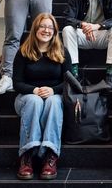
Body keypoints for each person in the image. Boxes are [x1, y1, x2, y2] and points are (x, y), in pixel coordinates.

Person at [13, 13, 71, 180]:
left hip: (54, 99)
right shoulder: (23, 52)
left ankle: (50, 156)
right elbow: (17, 83)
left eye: (50, 27)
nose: (46, 30)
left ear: (54, 31)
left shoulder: (62, 52)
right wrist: (34, 90)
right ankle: (27, 155)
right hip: (26, 99)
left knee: (53, 101)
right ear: (35, 29)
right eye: (42, 26)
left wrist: (53, 90)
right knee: (35, 101)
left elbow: (70, 82)